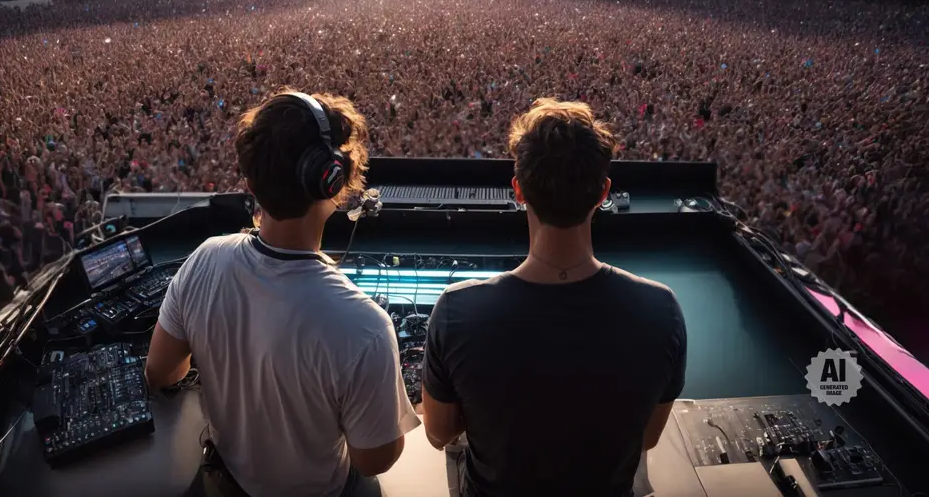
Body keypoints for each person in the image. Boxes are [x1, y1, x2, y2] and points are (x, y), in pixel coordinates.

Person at [145, 90, 420, 497]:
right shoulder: (365, 327)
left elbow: (161, 372)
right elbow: (372, 460)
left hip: (228, 482)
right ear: (332, 178)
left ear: (251, 180)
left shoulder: (204, 260)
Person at [420, 98, 688, 497]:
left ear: (518, 190)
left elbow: (438, 434)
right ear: (603, 192)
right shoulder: (662, 310)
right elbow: (647, 437)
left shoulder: (456, 310)